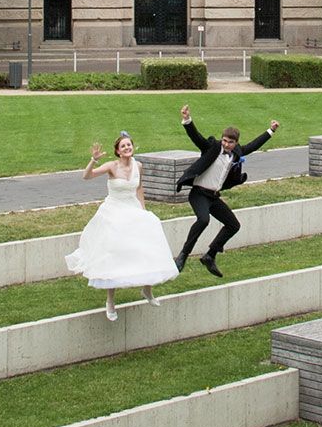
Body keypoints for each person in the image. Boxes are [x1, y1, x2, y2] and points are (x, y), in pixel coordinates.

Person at [65, 132, 178, 321]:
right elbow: (87, 176)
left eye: (129, 145)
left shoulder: (138, 166)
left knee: (147, 244)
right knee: (114, 255)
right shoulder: (112, 166)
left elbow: (139, 188)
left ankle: (147, 289)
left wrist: (143, 210)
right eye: (123, 146)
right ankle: (110, 301)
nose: (127, 148)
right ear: (118, 151)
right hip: (114, 211)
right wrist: (93, 160)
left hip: (132, 208)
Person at [173, 103, 278, 278]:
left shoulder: (236, 153)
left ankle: (210, 255)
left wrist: (271, 130)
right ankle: (183, 255)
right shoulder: (212, 147)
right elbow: (196, 137)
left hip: (213, 197)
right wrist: (187, 120)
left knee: (233, 225)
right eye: (224, 141)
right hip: (199, 193)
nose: (226, 144)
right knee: (203, 220)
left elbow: (253, 145)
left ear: (236, 143)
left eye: (230, 142)